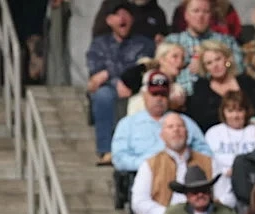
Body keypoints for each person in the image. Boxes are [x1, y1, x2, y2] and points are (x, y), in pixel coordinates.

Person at [87, 0, 156, 165]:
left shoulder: (144, 43)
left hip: (137, 86)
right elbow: (95, 73)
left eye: (126, 14)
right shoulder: (99, 44)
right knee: (103, 95)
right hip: (109, 88)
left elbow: (143, 67)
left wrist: (110, 74)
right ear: (109, 20)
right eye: (117, 15)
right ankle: (106, 150)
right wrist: (117, 80)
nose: (122, 18)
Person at [133, 115, 217, 214]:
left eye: (180, 126)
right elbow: (139, 202)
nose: (176, 130)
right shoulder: (150, 164)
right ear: (162, 135)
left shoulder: (208, 162)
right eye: (170, 127)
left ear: (187, 133)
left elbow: (224, 196)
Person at [112, 71, 210, 172]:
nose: (159, 99)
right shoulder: (127, 124)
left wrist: (184, 162)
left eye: (163, 94)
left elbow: (206, 152)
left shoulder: (185, 122)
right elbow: (119, 159)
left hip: (182, 175)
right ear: (144, 95)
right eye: (154, 94)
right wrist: (152, 164)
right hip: (143, 175)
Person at [164, 0, 245, 98]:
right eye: (196, 11)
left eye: (205, 12)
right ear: (186, 15)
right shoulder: (172, 41)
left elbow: (239, 68)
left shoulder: (226, 41)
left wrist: (214, 66)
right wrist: (185, 63)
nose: (200, 16)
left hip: (216, 99)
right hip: (182, 99)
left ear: (211, 15)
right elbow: (163, 69)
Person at [185, 39, 255, 131]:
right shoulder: (201, 87)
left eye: (218, 59)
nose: (215, 65)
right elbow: (199, 121)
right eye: (209, 63)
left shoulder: (245, 81)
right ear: (205, 68)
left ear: (226, 59)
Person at [205, 92, 255, 204]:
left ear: (246, 111)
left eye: (239, 111)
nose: (235, 116)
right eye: (230, 111)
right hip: (222, 183)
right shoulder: (213, 133)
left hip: (250, 183)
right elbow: (208, 162)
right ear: (223, 112)